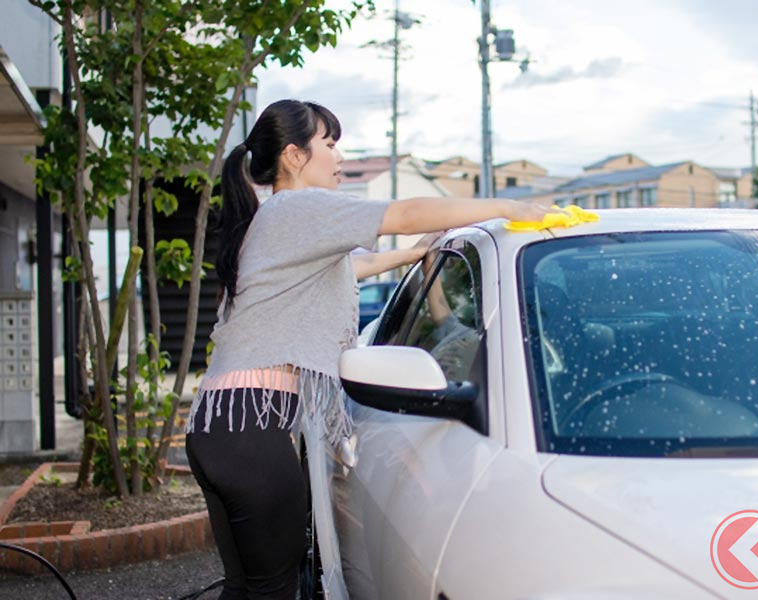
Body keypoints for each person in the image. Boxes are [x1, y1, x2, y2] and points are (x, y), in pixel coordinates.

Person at [183, 99, 558, 599]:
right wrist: (510, 207)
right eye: (330, 144)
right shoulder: (299, 207)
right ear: (294, 156)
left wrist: (413, 255)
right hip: (254, 427)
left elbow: (349, 269)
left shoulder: (274, 220)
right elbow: (401, 212)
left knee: (246, 588)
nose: (339, 157)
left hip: (220, 425)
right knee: (273, 589)